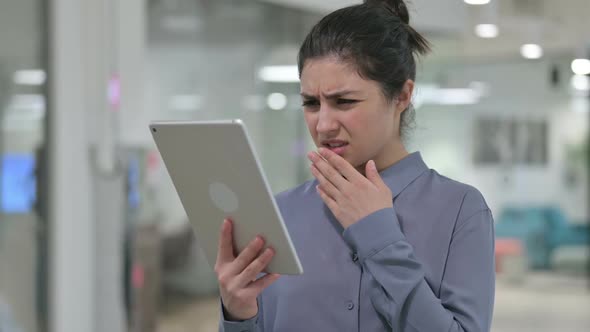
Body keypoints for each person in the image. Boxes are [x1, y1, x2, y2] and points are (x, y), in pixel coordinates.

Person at [215, 0, 495, 331]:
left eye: (344, 102)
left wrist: (379, 236)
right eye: (310, 103)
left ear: (402, 96)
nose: (322, 125)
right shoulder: (281, 213)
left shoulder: (460, 210)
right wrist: (237, 316)